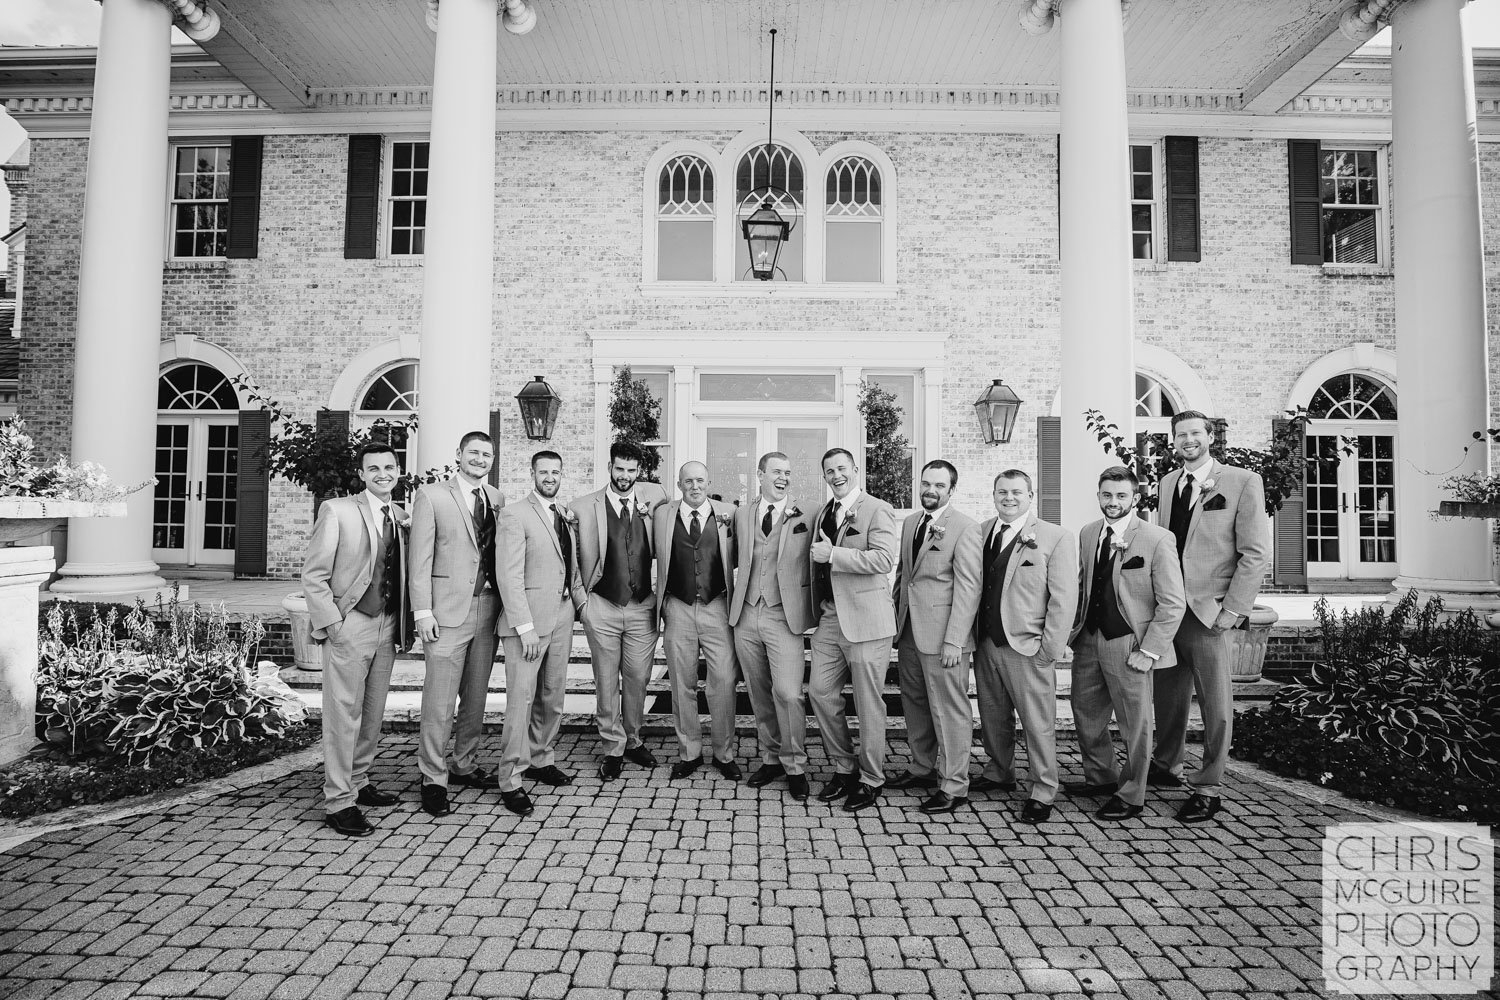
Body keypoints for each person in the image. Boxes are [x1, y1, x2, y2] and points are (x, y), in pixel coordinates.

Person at [1151, 411, 1270, 824]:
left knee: (1216, 702)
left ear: (1211, 436)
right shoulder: (1168, 483)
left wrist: (1233, 609)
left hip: (1210, 611)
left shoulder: (1241, 481)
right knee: (1168, 696)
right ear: (1173, 440)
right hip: (1168, 610)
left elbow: (1255, 553)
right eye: (1180, 434)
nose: (1188, 440)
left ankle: (1208, 786)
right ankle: (1166, 766)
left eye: (1195, 433)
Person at [301, 442, 412, 837]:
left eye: (389, 466)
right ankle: (338, 802)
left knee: (372, 710)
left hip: (387, 625)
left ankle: (359, 782)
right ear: (361, 475)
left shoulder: (400, 515)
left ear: (398, 470)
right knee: (342, 715)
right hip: (351, 625)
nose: (383, 474)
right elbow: (313, 575)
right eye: (374, 468)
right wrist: (334, 625)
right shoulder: (337, 510)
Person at [1066, 466, 1185, 822]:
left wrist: (1149, 651)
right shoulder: (1088, 533)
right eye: (1106, 494)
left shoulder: (1157, 538)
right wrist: (1071, 632)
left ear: (1135, 498)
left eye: (1121, 496)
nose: (1112, 502)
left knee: (1134, 721)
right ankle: (1101, 777)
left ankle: (1133, 793)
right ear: (1098, 495)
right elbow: (1083, 585)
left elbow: (1173, 602)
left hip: (1130, 644)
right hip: (1089, 640)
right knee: (1086, 713)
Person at [407, 431, 506, 818]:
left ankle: (463, 764)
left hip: (488, 607)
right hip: (446, 614)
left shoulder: (497, 499)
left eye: (486, 454)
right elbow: (420, 559)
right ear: (459, 455)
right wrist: (422, 611)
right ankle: (432, 778)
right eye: (474, 453)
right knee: (439, 700)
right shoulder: (432, 497)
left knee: (476, 696)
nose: (480, 459)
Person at [972, 469, 1077, 824]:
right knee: (992, 715)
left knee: (1037, 722)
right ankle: (999, 771)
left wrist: (1050, 647)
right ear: (994, 495)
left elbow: (1063, 599)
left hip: (1028, 646)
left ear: (1031, 496)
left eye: (1017, 492)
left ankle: (1044, 789)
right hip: (986, 642)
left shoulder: (1054, 537)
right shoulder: (981, 532)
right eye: (1002, 491)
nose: (1009, 498)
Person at [493, 451, 589, 816]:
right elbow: (509, 576)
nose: (550, 476)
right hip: (529, 624)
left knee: (552, 695)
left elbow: (570, 566)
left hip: (563, 616)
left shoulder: (563, 514)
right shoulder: (515, 515)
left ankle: (541, 758)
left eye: (555, 471)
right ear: (531, 473)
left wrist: (581, 607)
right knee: (521, 700)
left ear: (562, 474)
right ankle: (510, 778)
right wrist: (525, 627)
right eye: (543, 471)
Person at [570, 442, 669, 781]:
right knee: (606, 680)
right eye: (619, 469)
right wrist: (582, 603)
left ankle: (634, 738)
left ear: (639, 470)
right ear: (609, 467)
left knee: (639, 678)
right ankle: (613, 746)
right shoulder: (582, 507)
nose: (625, 476)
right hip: (602, 604)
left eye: (631, 470)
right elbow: (572, 560)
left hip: (642, 606)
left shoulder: (655, 498)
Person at [807, 447, 899, 813]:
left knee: (867, 702)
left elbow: (883, 559)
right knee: (820, 693)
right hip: (830, 618)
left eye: (842, 468)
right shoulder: (825, 512)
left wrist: (834, 555)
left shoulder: (878, 509)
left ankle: (872, 778)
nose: (836, 475)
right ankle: (845, 768)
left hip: (867, 619)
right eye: (829, 471)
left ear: (855, 469)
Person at [889, 459, 982, 815]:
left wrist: (955, 640)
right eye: (927, 483)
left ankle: (954, 784)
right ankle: (922, 767)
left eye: (939, 485)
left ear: (951, 490)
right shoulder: (912, 522)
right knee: (915, 703)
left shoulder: (965, 528)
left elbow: (969, 589)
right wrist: (895, 623)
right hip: (910, 630)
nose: (931, 490)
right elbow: (904, 576)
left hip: (944, 635)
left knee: (949, 709)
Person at [728, 451, 817, 802]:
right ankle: (771, 757)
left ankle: (795, 763)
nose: (783, 478)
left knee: (789, 692)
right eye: (777, 471)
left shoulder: (807, 512)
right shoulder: (741, 513)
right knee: (759, 691)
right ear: (761, 474)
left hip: (785, 615)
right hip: (746, 613)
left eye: (788, 472)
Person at [654, 461, 741, 779]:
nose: (694, 486)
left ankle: (724, 753)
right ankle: (689, 752)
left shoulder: (730, 513)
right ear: (678, 484)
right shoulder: (662, 514)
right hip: (677, 606)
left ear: (709, 482)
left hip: (717, 606)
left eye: (700, 480)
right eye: (688, 481)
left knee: (723, 682)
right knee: (681, 683)